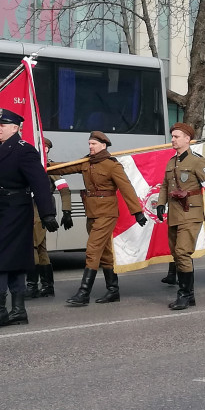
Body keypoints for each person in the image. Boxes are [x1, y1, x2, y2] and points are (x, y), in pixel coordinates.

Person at [0, 109, 57, 329]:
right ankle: (18, 310)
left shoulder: (24, 151)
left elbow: (39, 182)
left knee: (2, 261)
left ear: (15, 128)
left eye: (3, 125)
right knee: (7, 261)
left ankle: (2, 309)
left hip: (15, 211)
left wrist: (48, 213)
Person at [49, 131, 147, 306]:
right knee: (105, 252)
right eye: (89, 144)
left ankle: (84, 292)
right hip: (91, 212)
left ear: (103, 145)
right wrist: (45, 165)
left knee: (93, 249)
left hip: (107, 213)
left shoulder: (112, 165)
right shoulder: (86, 163)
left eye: (93, 144)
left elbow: (127, 188)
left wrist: (137, 212)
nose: (90, 147)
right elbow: (66, 167)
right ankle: (113, 290)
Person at [156, 122, 205, 310]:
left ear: (187, 139)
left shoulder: (197, 161)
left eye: (177, 136)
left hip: (191, 213)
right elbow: (164, 185)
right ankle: (190, 295)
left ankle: (184, 295)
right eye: (173, 136)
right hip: (175, 214)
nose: (173, 140)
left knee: (182, 252)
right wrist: (161, 204)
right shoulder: (171, 162)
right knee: (177, 255)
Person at [26, 138, 73, 299]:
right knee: (41, 248)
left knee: (32, 245)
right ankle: (47, 286)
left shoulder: (51, 167)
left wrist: (67, 211)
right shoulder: (28, 165)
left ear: (46, 150)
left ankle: (32, 286)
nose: (42, 149)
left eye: (44, 147)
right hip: (27, 209)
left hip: (41, 211)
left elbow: (64, 190)